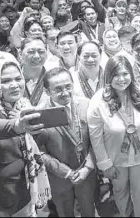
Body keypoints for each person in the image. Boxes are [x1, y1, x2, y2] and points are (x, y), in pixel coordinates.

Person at [0, 59, 50, 217]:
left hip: (24, 188)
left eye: (18, 78)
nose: (14, 84)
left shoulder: (22, 104)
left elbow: (40, 140)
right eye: (5, 81)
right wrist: (16, 125)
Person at [88, 55, 140, 217]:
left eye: (125, 74)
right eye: (116, 75)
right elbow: (95, 138)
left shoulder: (139, 93)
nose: (121, 79)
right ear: (108, 76)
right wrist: (105, 164)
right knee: (120, 193)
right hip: (115, 159)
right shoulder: (98, 101)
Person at [35, 67, 97, 217]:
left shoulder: (86, 105)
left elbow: (97, 141)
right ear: (47, 91)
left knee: (89, 211)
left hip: (86, 174)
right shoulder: (39, 114)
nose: (65, 92)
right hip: (59, 179)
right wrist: (66, 172)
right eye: (58, 89)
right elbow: (40, 152)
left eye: (68, 86)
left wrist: (88, 168)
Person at [20, 37, 51, 107]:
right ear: (20, 53)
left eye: (41, 52)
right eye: (31, 52)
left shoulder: (52, 79)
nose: (36, 56)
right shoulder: (10, 78)